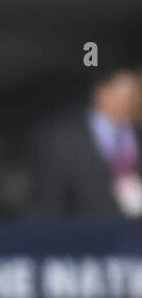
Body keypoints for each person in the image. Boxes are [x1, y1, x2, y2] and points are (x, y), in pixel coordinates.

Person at [34, 65, 142, 217]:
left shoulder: (137, 133)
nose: (130, 102)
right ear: (101, 93)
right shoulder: (64, 137)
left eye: (133, 96)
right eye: (125, 96)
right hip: (88, 233)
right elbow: (50, 199)